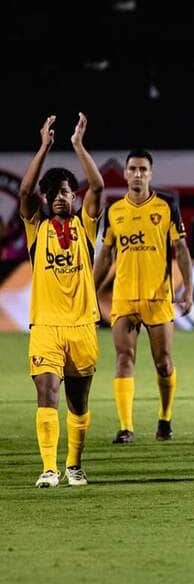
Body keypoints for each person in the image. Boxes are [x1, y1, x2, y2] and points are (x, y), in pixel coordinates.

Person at [20, 114, 103, 487]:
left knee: (78, 403)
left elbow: (98, 186)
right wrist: (43, 147)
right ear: (47, 199)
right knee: (46, 393)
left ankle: (74, 465)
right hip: (46, 326)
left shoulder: (85, 227)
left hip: (83, 325)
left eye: (66, 192)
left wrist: (78, 145)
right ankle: (49, 468)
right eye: (53, 194)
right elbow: (23, 194)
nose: (59, 199)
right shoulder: (37, 229)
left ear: (74, 196)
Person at [95, 148, 194, 444]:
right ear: (125, 173)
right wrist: (90, 289)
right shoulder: (114, 210)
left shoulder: (166, 206)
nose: (137, 174)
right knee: (124, 358)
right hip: (124, 298)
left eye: (143, 169)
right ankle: (125, 427)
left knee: (163, 362)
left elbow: (180, 250)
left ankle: (165, 418)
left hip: (157, 297)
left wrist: (189, 288)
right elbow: (107, 255)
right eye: (133, 169)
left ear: (150, 173)